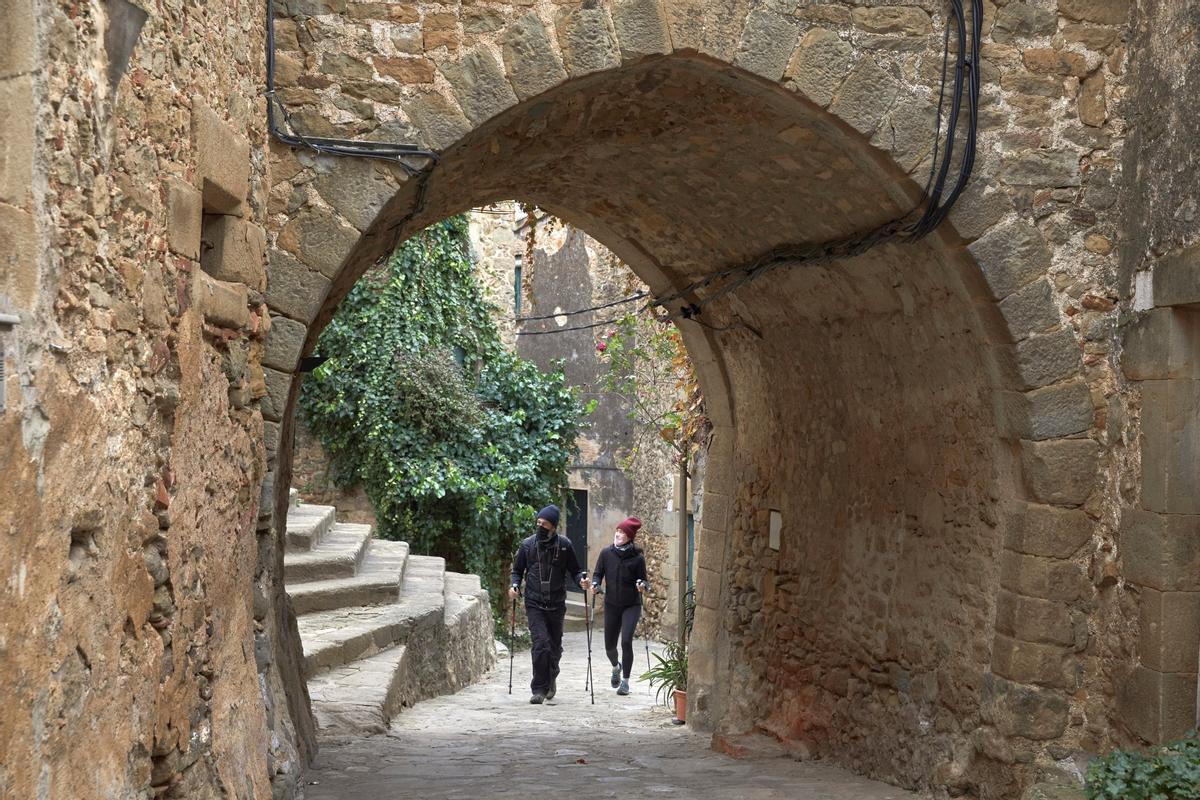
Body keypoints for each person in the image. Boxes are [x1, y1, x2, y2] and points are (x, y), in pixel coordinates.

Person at [509, 504, 587, 704]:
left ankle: (551, 675)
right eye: (538, 522)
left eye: (544, 523)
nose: (540, 526)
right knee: (541, 644)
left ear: (552, 526)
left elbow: (576, 571)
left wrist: (582, 581)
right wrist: (515, 585)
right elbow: (517, 571)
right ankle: (539, 689)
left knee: (554, 647)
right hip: (534, 602)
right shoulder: (528, 545)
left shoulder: (564, 545)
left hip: (556, 603)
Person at [590, 517, 649, 696]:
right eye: (618, 530)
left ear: (629, 537)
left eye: (623, 532)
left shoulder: (638, 558)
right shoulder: (606, 554)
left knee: (626, 641)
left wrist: (642, 585)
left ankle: (625, 682)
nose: (618, 534)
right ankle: (616, 667)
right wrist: (595, 585)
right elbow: (597, 574)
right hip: (612, 604)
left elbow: (645, 581)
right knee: (609, 647)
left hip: (631, 604)